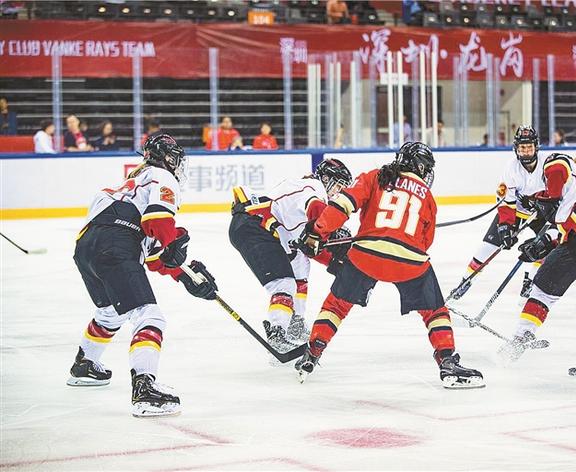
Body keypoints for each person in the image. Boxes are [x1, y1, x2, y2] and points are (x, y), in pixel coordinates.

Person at [295, 142, 484, 389]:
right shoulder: (427, 196)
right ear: (421, 167)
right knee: (435, 311)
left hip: (365, 255)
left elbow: (343, 204)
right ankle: (447, 360)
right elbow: (426, 242)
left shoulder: (376, 176)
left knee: (337, 305)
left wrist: (318, 232)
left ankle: (313, 352)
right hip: (410, 261)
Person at [66, 134, 218, 417]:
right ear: (168, 158)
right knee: (150, 317)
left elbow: (152, 252)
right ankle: (144, 389)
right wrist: (173, 246)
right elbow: (157, 221)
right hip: (117, 245)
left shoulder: (128, 185)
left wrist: (184, 275)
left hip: (86, 248)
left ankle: (85, 364)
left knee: (111, 312)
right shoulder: (163, 176)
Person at [498, 153, 576, 362]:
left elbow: (557, 167)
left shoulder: (563, 164)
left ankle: (522, 335)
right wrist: (544, 244)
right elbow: (571, 231)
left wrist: (548, 198)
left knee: (543, 290)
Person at [228, 159, 353, 351]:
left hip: (265, 229)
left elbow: (308, 247)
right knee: (284, 283)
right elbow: (315, 209)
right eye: (338, 186)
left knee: (300, 264)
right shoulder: (312, 186)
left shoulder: (303, 197)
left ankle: (295, 323)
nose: (338, 192)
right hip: (254, 226)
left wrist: (334, 262)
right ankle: (277, 333)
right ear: (326, 179)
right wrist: (333, 229)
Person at [451, 126, 548, 302]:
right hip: (516, 211)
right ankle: (465, 281)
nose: (526, 151)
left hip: (541, 214)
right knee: (489, 246)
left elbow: (556, 191)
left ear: (536, 147)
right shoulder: (511, 168)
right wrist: (505, 227)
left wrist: (540, 201)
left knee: (545, 245)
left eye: (529, 147)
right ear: (516, 148)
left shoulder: (546, 164)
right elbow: (506, 202)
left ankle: (530, 280)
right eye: (522, 148)